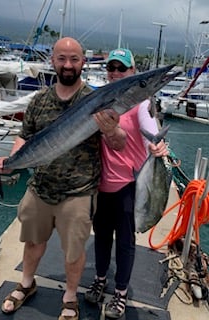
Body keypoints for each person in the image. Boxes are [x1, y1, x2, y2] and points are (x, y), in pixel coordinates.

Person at [0, 37, 126, 320]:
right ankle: (26, 284)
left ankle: (69, 297)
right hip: (40, 187)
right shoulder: (40, 100)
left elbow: (119, 143)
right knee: (33, 242)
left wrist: (112, 131)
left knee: (73, 251)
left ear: (83, 63)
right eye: (62, 58)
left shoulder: (97, 99)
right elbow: (24, 136)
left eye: (74, 59)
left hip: (78, 191)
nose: (67, 65)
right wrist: (10, 162)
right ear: (53, 60)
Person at [84, 48, 168, 319]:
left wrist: (157, 146)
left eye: (122, 69)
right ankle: (99, 279)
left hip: (127, 185)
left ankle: (120, 293)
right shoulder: (100, 100)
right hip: (101, 184)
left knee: (125, 242)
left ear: (132, 72)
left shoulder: (140, 104)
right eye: (112, 68)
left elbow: (151, 134)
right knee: (101, 237)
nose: (116, 73)